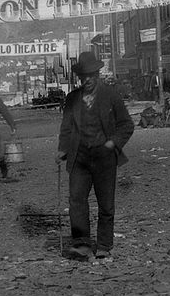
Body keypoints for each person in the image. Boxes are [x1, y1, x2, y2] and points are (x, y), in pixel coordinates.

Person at [57, 51, 134, 260]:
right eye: (84, 76)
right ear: (79, 77)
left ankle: (104, 246)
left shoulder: (111, 96)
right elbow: (66, 129)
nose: (88, 79)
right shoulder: (72, 99)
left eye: (91, 75)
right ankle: (81, 243)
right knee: (76, 200)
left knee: (106, 204)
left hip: (104, 157)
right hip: (79, 157)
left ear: (98, 74)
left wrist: (113, 143)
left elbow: (127, 125)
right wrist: (62, 149)